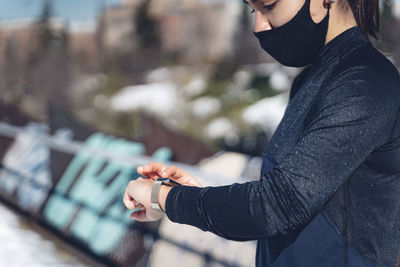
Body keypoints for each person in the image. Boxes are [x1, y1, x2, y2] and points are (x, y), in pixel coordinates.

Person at [123, 0, 400, 266]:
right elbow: (282, 205)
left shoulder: (366, 83)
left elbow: (275, 207)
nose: (258, 26)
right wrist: (192, 196)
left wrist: (164, 197)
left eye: (269, 6)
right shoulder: (312, 79)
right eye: (251, 8)